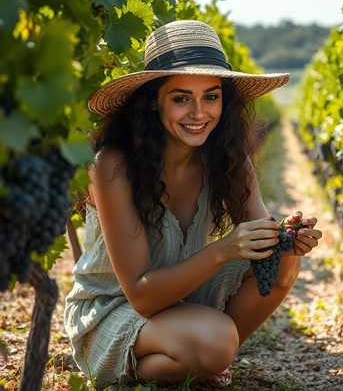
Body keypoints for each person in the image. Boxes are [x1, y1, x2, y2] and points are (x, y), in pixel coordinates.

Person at [64, 19, 323, 388]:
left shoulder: (230, 159)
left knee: (280, 262)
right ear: (154, 102)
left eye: (211, 96)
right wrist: (224, 250)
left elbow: (263, 239)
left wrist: (287, 238)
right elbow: (140, 296)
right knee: (215, 340)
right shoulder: (113, 165)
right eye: (181, 98)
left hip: (180, 301)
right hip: (114, 311)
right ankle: (200, 356)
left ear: (224, 101)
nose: (199, 112)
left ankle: (204, 358)